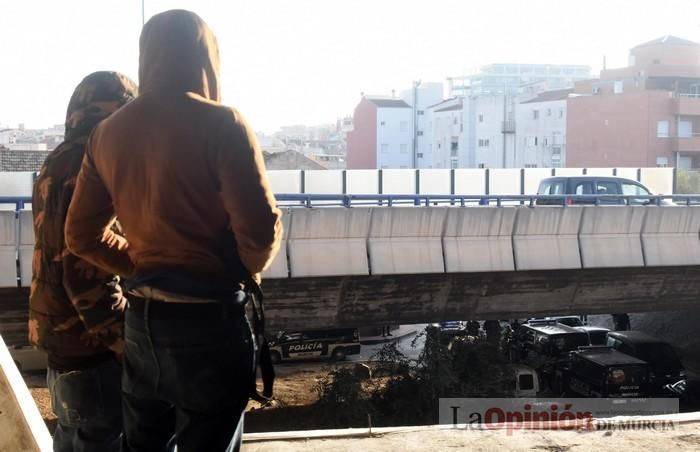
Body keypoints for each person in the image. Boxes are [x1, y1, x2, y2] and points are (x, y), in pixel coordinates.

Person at [64, 9, 283, 452]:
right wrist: (220, 268)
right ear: (207, 57)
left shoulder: (106, 134)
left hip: (144, 324)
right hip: (211, 324)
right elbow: (259, 238)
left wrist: (145, 262)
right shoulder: (225, 124)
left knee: (143, 444)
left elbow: (81, 235)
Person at [29, 71, 137, 452]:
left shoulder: (56, 160)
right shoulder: (94, 161)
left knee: (73, 438)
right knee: (101, 437)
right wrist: (130, 344)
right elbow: (84, 269)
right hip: (93, 345)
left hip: (61, 337)